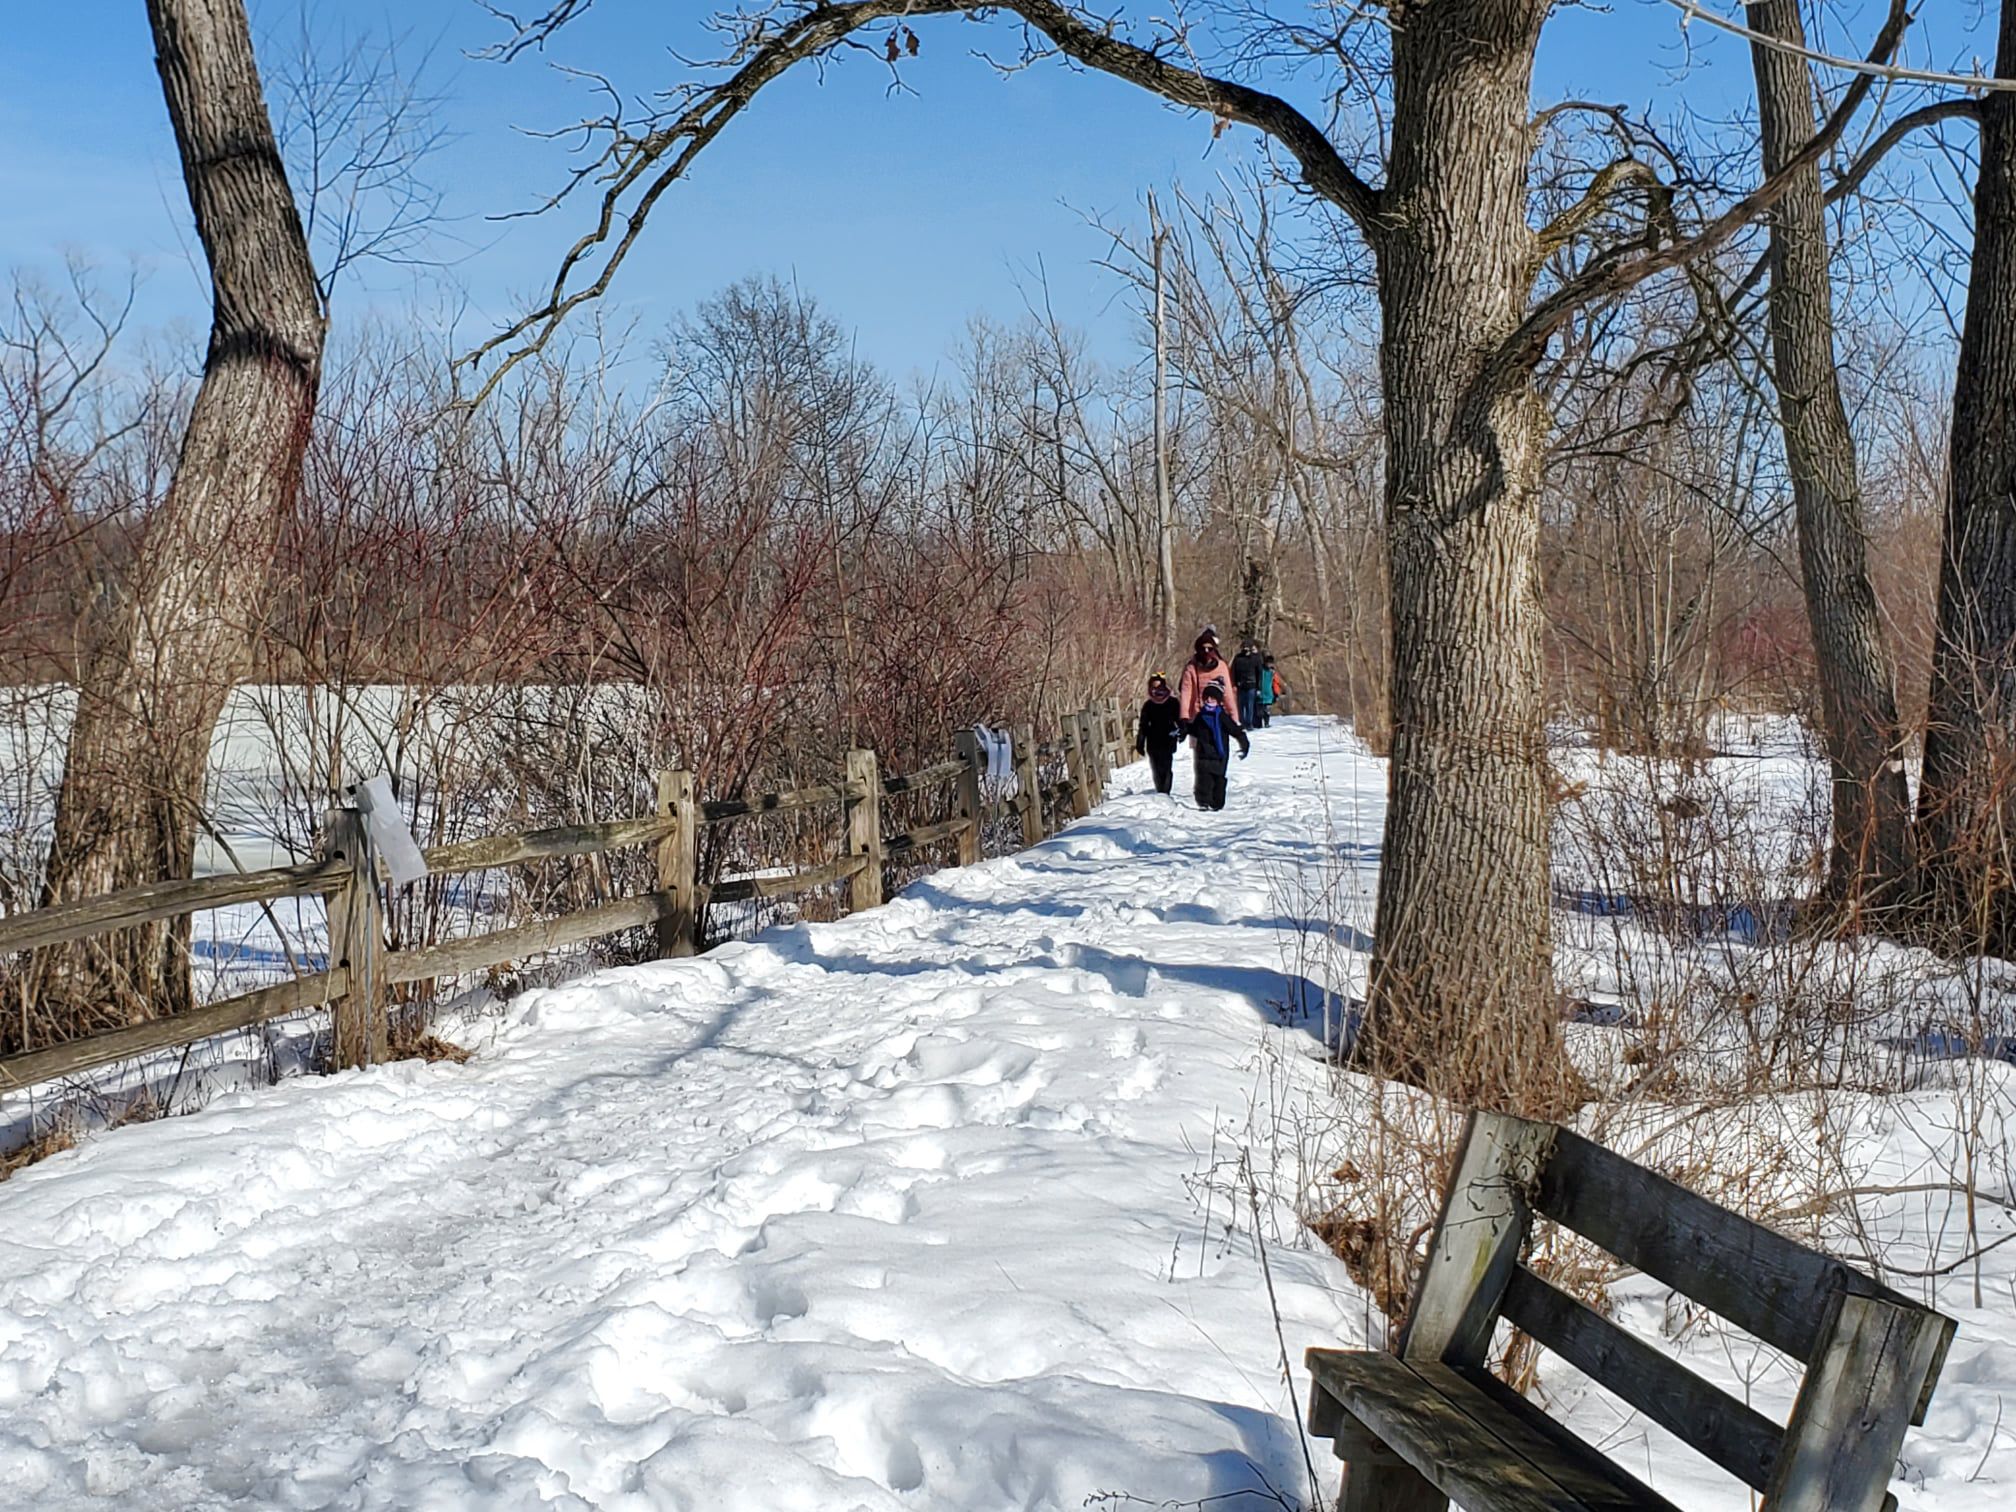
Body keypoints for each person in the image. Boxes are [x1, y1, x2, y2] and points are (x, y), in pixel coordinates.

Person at [1186, 682, 1249, 810]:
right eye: (1207, 698)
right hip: (1203, 753)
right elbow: (1194, 730)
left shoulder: (1222, 716)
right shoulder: (1201, 716)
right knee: (1203, 779)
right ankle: (1203, 802)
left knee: (1218, 779)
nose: (1209, 700)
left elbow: (1234, 730)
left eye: (1213, 698)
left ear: (1219, 701)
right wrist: (1183, 730)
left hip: (1219, 754)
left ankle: (1217, 803)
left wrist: (1244, 742)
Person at [1134, 671, 1183, 795]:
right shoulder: (1148, 705)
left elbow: (1180, 719)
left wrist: (1183, 731)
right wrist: (1140, 742)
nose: (1157, 690)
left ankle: (1165, 792)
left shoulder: (1173, 702)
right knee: (1156, 768)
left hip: (1168, 738)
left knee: (1166, 767)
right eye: (1154, 687)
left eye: (1159, 686)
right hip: (1153, 740)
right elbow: (1143, 725)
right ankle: (1160, 791)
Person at [1178, 632, 1238, 723]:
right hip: (1198, 715)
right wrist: (1184, 717)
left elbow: (1228, 693)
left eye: (1210, 649)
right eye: (1203, 649)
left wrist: (1234, 716)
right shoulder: (1191, 668)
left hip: (1219, 714)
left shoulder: (1222, 666)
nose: (1206, 651)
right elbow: (1186, 693)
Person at [1231, 639, 1265, 729]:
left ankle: (1249, 723)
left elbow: (1259, 673)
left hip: (1252, 685)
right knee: (1241, 705)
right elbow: (1233, 671)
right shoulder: (1238, 658)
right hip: (1240, 685)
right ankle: (1242, 723)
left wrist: (1259, 687)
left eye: (1247, 648)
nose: (1245, 650)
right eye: (1244, 648)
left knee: (1250, 706)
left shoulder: (1256, 659)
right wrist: (1233, 684)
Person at [1257, 654, 1283, 728]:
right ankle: (1259, 724)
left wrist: (1277, 693)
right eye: (1268, 663)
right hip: (1260, 693)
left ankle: (1266, 723)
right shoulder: (1261, 671)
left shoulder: (1273, 673)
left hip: (1269, 694)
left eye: (1271, 663)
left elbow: (1275, 683)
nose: (1269, 664)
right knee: (1259, 712)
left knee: (1267, 711)